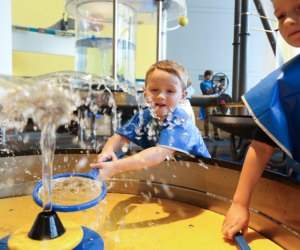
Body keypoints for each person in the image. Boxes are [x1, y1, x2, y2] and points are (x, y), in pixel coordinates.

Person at [222, 0, 300, 240]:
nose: (287, 21)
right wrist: (239, 203)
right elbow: (261, 145)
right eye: (280, 15)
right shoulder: (285, 83)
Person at [90, 60, 210, 179]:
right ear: (145, 92)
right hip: (174, 176)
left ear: (182, 96)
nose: (161, 96)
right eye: (154, 90)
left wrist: (115, 167)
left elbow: (158, 154)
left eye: (170, 91)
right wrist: (107, 151)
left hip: (204, 177)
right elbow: (120, 138)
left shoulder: (180, 121)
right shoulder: (145, 115)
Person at [200, 70, 223, 140]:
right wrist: (215, 86)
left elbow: (218, 91)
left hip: (215, 103)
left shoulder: (213, 83)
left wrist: (220, 87)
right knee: (207, 119)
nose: (210, 76)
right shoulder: (203, 84)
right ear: (205, 76)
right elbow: (207, 92)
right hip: (207, 103)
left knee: (216, 119)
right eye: (208, 75)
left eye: (211, 75)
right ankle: (207, 135)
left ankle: (217, 135)